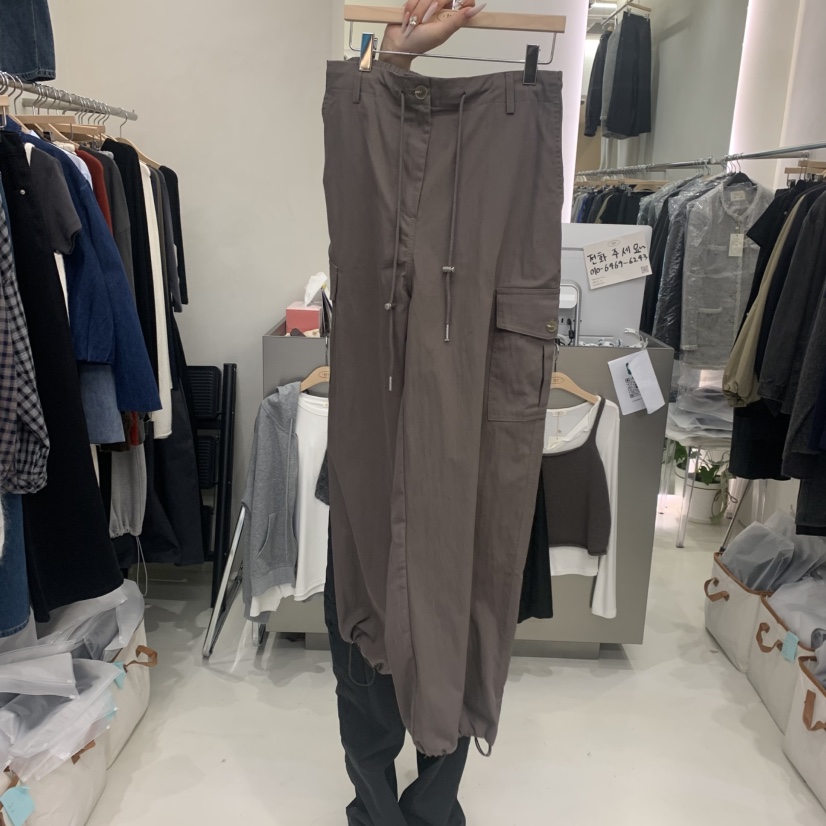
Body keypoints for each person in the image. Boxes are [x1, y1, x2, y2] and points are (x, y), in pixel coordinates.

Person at [323, 9, 487, 826]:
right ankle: (379, 812)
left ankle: (427, 812)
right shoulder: (370, 241)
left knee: (448, 654)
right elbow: (365, 157)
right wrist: (391, 60)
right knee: (365, 666)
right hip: (372, 463)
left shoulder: (488, 246)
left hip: (463, 468)